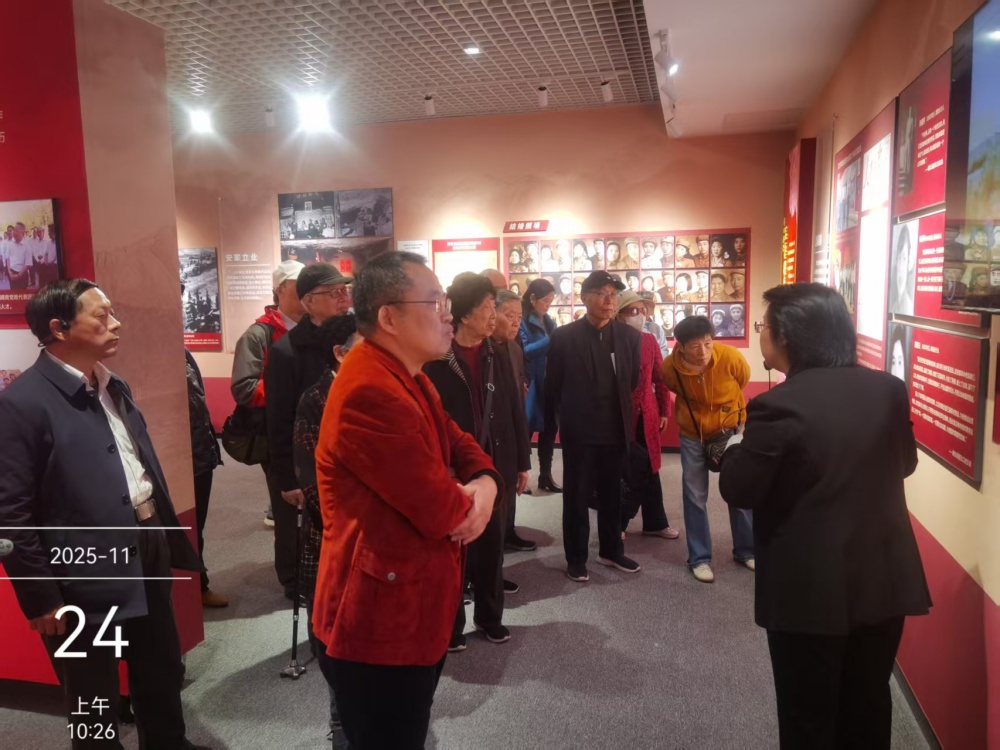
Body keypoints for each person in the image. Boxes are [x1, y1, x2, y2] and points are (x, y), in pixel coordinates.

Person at [718, 282, 931, 749]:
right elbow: (905, 463)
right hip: (883, 579)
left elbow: (740, 488)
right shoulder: (887, 389)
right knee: (868, 703)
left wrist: (734, 446)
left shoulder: (777, 404)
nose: (761, 333)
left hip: (808, 589)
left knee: (808, 717)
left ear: (785, 336)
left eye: (763, 326)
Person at [0, 279, 207, 749]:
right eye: (101, 316)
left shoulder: (113, 384)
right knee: (92, 688)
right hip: (81, 569)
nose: (116, 324)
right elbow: (10, 515)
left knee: (159, 664)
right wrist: (40, 597)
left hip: (145, 542)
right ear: (59, 328)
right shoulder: (23, 403)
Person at [311, 251, 501, 750]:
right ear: (389, 317)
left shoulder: (408, 374)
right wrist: (475, 499)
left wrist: (485, 480)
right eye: (435, 303)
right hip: (377, 624)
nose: (448, 314)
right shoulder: (370, 389)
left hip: (405, 605)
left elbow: (460, 443)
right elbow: (443, 511)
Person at [425, 274, 530, 648]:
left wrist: (522, 461)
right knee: (454, 547)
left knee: (492, 546)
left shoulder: (498, 352)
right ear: (466, 314)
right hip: (454, 467)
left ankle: (490, 617)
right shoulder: (437, 358)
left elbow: (514, 408)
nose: (494, 316)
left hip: (496, 462)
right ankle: (451, 626)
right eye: (487, 308)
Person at [546, 271, 642, 581]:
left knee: (613, 493)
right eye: (601, 293)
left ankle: (611, 550)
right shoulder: (564, 337)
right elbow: (553, 384)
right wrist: (561, 421)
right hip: (579, 431)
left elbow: (632, 381)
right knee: (576, 496)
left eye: (613, 294)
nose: (609, 300)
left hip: (614, 429)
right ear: (585, 297)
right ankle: (576, 558)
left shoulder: (629, 337)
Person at [292, 313, 359, 742]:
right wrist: (346, 524)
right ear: (339, 352)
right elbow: (311, 475)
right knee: (336, 632)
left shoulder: (375, 389)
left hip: (370, 535)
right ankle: (341, 728)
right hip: (335, 532)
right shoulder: (316, 398)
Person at [264, 263, 353, 582]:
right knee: (298, 531)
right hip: (306, 460)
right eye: (334, 292)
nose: (343, 298)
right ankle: (295, 581)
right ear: (309, 301)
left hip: (346, 456)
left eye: (345, 291)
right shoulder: (286, 351)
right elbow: (278, 419)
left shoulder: (356, 340)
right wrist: (287, 478)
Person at [660, 315, 753, 583]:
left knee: (739, 488)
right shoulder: (671, 367)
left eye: (708, 343)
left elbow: (743, 379)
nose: (703, 351)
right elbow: (671, 386)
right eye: (695, 346)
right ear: (680, 347)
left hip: (729, 429)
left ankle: (746, 550)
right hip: (692, 433)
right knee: (694, 494)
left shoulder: (729, 357)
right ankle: (699, 558)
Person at [231, 260, 304, 592]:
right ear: (280, 290)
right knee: (286, 508)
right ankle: (291, 578)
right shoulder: (258, 334)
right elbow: (244, 388)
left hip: (311, 432)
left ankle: (312, 567)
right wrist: (290, 391)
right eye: (297, 285)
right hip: (276, 434)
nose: (305, 292)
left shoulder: (314, 330)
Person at [615, 292, 679, 541]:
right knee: (625, 467)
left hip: (647, 411)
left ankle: (655, 521)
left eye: (643, 310)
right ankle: (618, 521)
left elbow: (660, 378)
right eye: (634, 311)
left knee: (651, 465)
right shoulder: (610, 339)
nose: (640, 315)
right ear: (621, 315)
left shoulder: (650, 340)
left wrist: (664, 410)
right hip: (620, 414)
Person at [184, 345, 227, 608]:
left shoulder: (183, 353)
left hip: (199, 455)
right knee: (182, 530)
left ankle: (199, 587)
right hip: (176, 459)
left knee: (195, 528)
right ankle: (189, 592)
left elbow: (198, 406)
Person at [519, 278, 562, 492]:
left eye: (551, 301)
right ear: (533, 298)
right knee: (525, 432)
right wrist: (551, 340)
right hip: (531, 383)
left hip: (549, 382)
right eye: (546, 300)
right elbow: (525, 351)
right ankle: (521, 476)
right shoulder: (522, 321)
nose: (548, 305)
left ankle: (545, 476)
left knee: (549, 430)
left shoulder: (548, 320)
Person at [889, 225, 915, 315]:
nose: (900, 268)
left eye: (904, 259)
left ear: (908, 263)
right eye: (899, 258)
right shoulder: (892, 307)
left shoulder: (909, 309)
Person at [638, 290, 669, 357]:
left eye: (650, 305)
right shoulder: (630, 326)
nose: (645, 309)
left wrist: (655, 359)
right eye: (642, 306)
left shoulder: (657, 328)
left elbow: (664, 349)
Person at [6, 222, 34, 289]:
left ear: (23, 233)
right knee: (13, 293)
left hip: (22, 275)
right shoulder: (10, 244)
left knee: (21, 294)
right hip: (11, 273)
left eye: (17, 231)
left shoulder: (27, 246)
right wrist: (9, 272)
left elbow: (28, 264)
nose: (14, 233)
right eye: (14, 230)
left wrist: (18, 275)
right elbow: (8, 258)